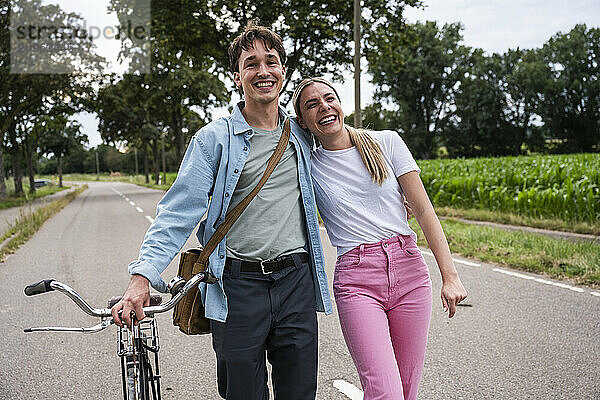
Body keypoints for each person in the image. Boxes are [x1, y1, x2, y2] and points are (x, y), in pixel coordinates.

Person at [111, 25, 332, 400]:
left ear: (283, 72)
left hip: (295, 281)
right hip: (236, 287)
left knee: (299, 393)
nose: (263, 71)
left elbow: (348, 153)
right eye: (252, 64)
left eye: (271, 62)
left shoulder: (303, 135)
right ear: (237, 76)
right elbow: (175, 214)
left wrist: (393, 191)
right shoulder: (213, 139)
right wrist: (141, 277)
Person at [292, 77, 468, 400]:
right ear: (302, 121)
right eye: (312, 105)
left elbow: (425, 211)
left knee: (406, 392)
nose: (324, 107)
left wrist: (450, 276)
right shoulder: (307, 166)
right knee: (387, 393)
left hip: (410, 272)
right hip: (357, 281)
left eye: (329, 98)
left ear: (341, 103)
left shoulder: (386, 143)